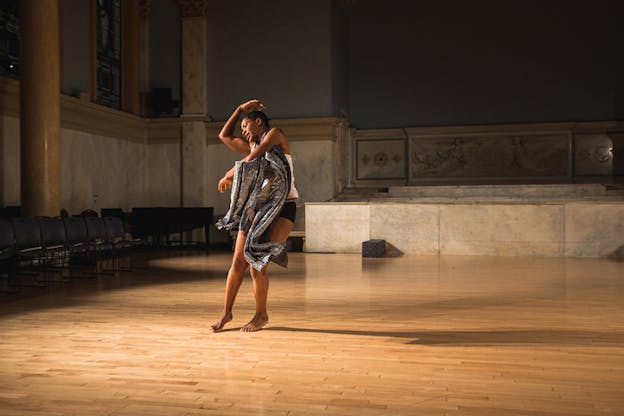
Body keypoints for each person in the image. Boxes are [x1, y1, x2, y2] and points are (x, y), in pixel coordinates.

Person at [211, 99, 298, 333]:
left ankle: (261, 315)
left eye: (246, 126)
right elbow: (224, 136)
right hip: (257, 208)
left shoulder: (274, 135)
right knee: (238, 261)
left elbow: (254, 156)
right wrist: (239, 110)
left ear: (258, 122)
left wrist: (229, 174)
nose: (244, 132)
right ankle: (226, 312)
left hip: (283, 206)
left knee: (256, 262)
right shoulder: (252, 144)